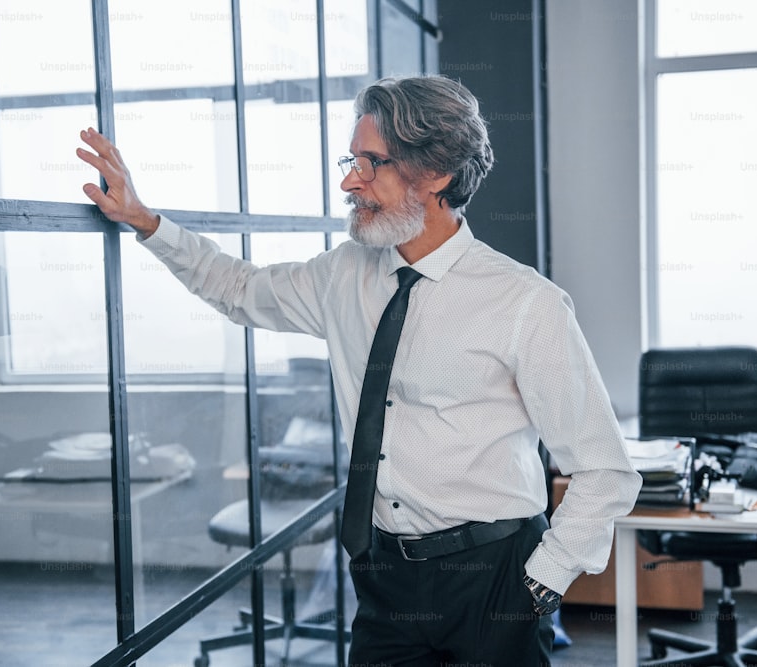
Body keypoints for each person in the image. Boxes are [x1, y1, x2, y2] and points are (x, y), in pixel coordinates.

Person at [77, 74, 641, 667]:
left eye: (372, 164)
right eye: (352, 160)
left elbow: (604, 469)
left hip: (495, 577)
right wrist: (145, 222)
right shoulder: (345, 274)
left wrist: (540, 583)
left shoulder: (526, 303)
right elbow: (238, 288)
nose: (350, 181)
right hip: (384, 577)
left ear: (436, 175)